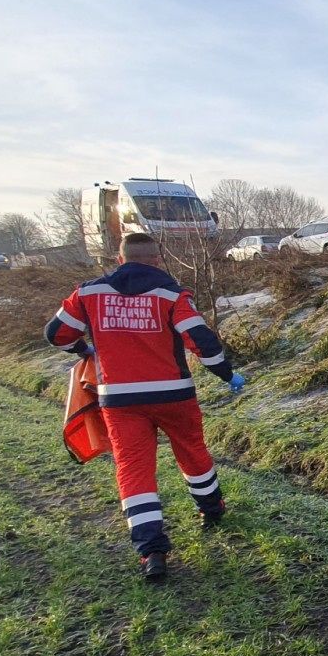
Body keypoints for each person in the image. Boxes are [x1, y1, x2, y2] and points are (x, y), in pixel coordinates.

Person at [44, 232, 246, 581]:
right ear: (157, 259)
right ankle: (211, 510)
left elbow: (56, 334)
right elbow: (202, 341)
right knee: (192, 452)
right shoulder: (170, 294)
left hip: (120, 401)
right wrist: (226, 374)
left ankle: (152, 551)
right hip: (174, 395)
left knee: (133, 470)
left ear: (120, 259)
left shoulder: (89, 293)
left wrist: (83, 351)